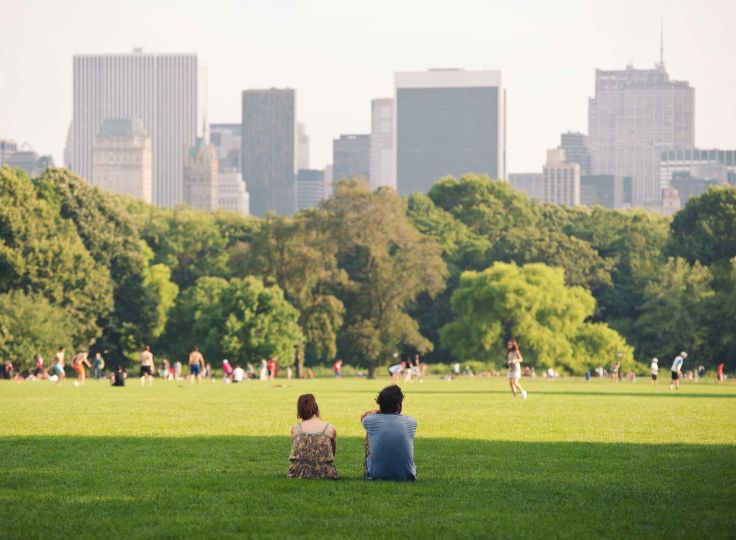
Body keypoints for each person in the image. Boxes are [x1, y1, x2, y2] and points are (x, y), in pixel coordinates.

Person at [361, 385, 417, 481]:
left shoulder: (370, 420)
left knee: (369, 432)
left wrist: (378, 411)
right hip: (407, 476)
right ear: (399, 405)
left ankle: (373, 468)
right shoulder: (411, 422)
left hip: (375, 475)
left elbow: (363, 417)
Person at [288, 394, 338, 479]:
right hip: (325, 473)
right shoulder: (330, 428)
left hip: (298, 472)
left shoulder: (295, 429)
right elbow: (332, 454)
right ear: (316, 407)